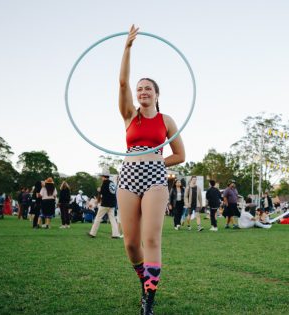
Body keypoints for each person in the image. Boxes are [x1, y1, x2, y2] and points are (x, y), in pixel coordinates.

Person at [116, 25, 185, 315]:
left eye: (148, 88)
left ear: (157, 94)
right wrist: (128, 48)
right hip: (128, 177)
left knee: (152, 238)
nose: (142, 91)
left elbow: (180, 155)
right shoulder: (129, 115)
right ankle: (145, 279)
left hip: (155, 179)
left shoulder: (166, 120)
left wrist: (157, 161)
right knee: (131, 244)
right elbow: (122, 83)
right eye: (140, 88)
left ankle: (149, 298)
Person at [87, 171, 121, 238]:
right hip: (112, 204)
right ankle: (115, 234)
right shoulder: (112, 183)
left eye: (102, 176)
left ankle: (92, 233)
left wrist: (99, 190)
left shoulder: (104, 183)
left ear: (103, 177)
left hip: (105, 204)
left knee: (98, 218)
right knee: (113, 219)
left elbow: (102, 192)